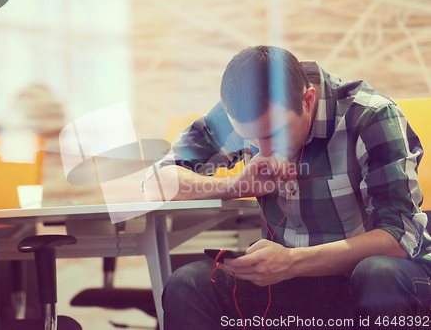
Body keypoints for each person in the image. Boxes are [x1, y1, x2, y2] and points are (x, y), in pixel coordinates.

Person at [142, 46, 431, 329]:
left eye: (275, 133)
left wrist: (292, 262)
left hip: (388, 279)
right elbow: (155, 183)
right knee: (188, 285)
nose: (264, 148)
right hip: (298, 286)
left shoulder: (371, 115)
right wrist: (235, 185)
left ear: (307, 100)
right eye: (251, 138)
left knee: (378, 274)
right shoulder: (240, 115)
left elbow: (398, 239)